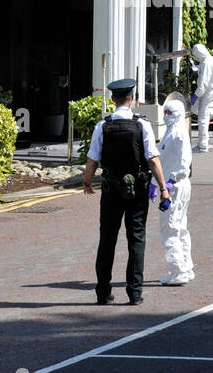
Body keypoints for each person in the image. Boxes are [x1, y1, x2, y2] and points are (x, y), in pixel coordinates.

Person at [82, 78, 168, 305]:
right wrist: (163, 189)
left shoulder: (103, 125)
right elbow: (153, 159)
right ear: (132, 98)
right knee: (136, 239)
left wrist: (87, 183)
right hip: (137, 190)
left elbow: (92, 160)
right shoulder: (142, 125)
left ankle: (103, 292)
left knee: (107, 239)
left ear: (113, 99)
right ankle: (135, 292)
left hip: (111, 189)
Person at [156, 94, 194, 285]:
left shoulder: (179, 134)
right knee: (180, 227)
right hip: (173, 186)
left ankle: (178, 270)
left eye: (171, 112)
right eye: (166, 112)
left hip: (175, 187)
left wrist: (168, 184)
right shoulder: (171, 131)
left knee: (169, 229)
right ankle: (186, 267)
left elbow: (183, 164)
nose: (167, 115)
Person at [190, 42, 213, 153]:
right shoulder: (211, 60)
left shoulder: (207, 63)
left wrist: (196, 96)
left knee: (202, 119)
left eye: (196, 55)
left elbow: (203, 84)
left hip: (207, 93)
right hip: (210, 92)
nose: (196, 58)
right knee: (198, 112)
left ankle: (203, 146)